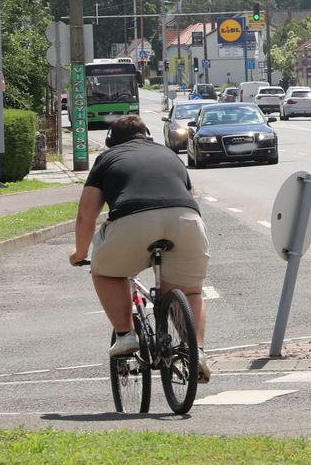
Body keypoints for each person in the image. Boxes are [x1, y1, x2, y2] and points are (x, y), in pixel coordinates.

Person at [70, 115, 211, 382]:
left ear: (112, 140)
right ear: (147, 135)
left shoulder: (107, 159)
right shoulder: (170, 155)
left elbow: (85, 216)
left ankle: (125, 335)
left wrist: (80, 253)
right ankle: (197, 352)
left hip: (133, 220)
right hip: (187, 221)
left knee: (106, 273)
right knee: (190, 291)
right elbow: (190, 198)